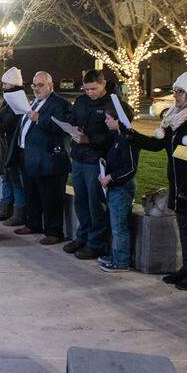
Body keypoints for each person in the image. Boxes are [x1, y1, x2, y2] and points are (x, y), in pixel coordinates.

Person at [128, 64, 187, 291]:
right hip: (178, 181)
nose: (176, 96)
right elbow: (158, 144)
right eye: (175, 91)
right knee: (183, 224)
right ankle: (186, 267)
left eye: (181, 91)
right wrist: (131, 134)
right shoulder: (175, 117)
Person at [67, 69, 123, 260]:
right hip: (78, 157)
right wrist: (74, 128)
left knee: (95, 203)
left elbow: (113, 134)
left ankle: (96, 243)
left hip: (96, 159)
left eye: (93, 88)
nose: (89, 92)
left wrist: (89, 139)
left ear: (103, 84)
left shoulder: (111, 104)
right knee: (80, 200)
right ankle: (82, 236)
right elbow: (73, 117)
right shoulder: (82, 101)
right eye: (86, 89)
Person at [13, 72, 73, 244]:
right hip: (30, 157)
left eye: (40, 85)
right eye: (34, 85)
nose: (36, 89)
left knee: (51, 197)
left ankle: (54, 232)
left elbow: (64, 127)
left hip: (49, 160)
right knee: (31, 193)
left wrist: (40, 118)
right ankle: (33, 224)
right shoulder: (35, 102)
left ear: (50, 85)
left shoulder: (60, 104)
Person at [99, 108, 140, 272]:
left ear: (119, 120)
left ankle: (122, 261)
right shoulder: (117, 136)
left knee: (119, 226)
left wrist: (111, 177)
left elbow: (130, 167)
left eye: (108, 118)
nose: (106, 121)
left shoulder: (128, 138)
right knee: (114, 223)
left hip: (121, 188)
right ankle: (115, 255)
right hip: (113, 186)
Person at [0, 67, 28, 225]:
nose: (3, 87)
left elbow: (8, 123)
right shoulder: (9, 100)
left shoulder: (16, 101)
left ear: (14, 84)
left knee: (14, 178)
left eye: (6, 84)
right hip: (8, 144)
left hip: (14, 146)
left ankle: (18, 212)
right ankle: (5, 209)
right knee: (6, 178)